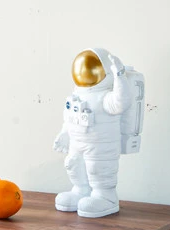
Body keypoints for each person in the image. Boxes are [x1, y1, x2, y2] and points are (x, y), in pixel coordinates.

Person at [53, 48, 133, 218]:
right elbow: (69, 119)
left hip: (101, 146)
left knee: (97, 168)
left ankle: (106, 197)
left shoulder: (106, 96)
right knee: (73, 164)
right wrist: (64, 134)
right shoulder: (76, 94)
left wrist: (119, 76)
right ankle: (80, 191)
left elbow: (121, 102)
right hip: (77, 143)